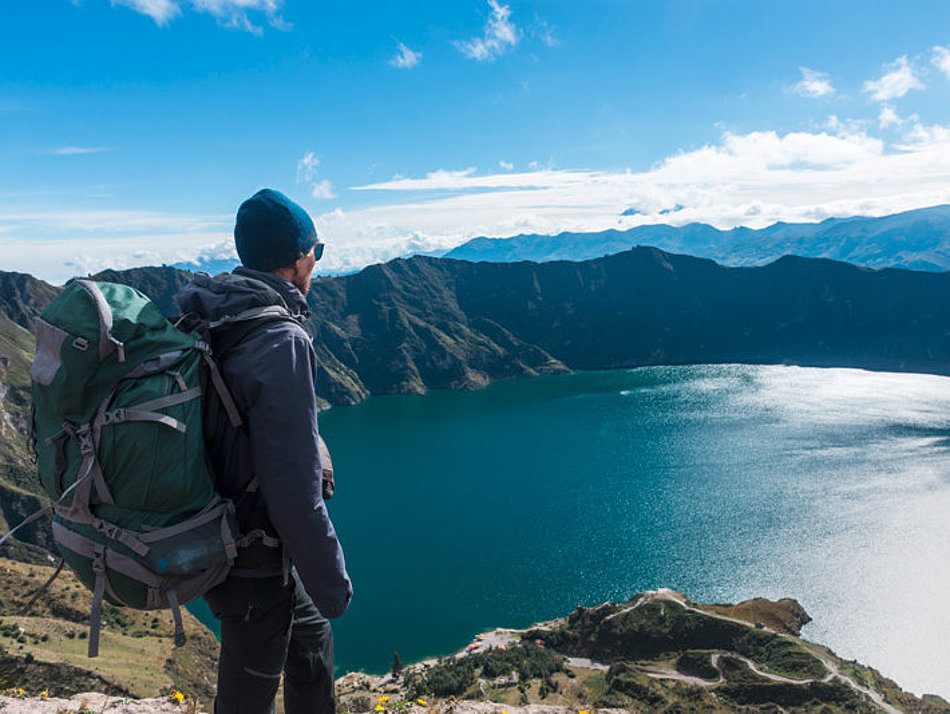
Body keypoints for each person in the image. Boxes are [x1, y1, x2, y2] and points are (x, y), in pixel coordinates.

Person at [176, 188, 352, 714]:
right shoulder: (280, 340)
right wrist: (334, 584)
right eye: (316, 253)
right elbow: (294, 489)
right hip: (250, 561)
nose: (316, 265)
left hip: (222, 528)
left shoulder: (212, 312)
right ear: (299, 258)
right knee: (246, 696)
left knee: (312, 643)